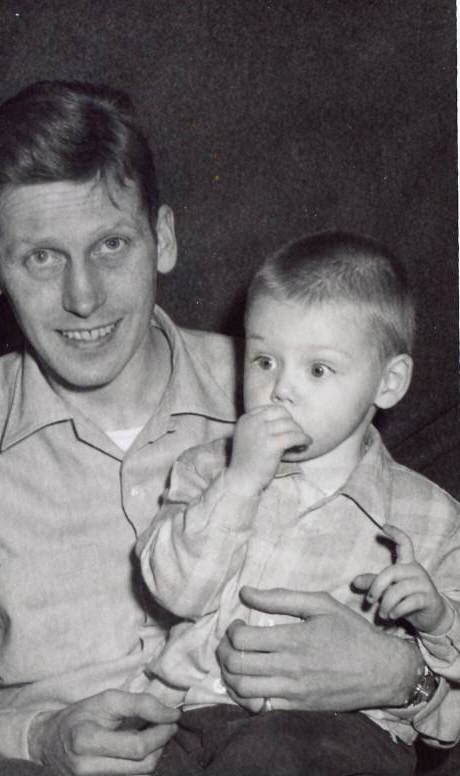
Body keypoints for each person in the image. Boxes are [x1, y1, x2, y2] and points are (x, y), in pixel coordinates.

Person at [0, 80, 456, 775]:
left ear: (165, 239)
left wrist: (402, 679)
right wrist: (38, 737)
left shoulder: (292, 391)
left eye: (112, 245)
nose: (82, 295)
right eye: (41, 257)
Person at [138, 231, 460, 775]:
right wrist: (239, 484)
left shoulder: (429, 514)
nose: (280, 389)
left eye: (317, 369)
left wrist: (437, 616)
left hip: (342, 732)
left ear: (389, 383)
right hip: (194, 719)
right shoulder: (207, 470)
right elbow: (177, 592)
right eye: (264, 361)